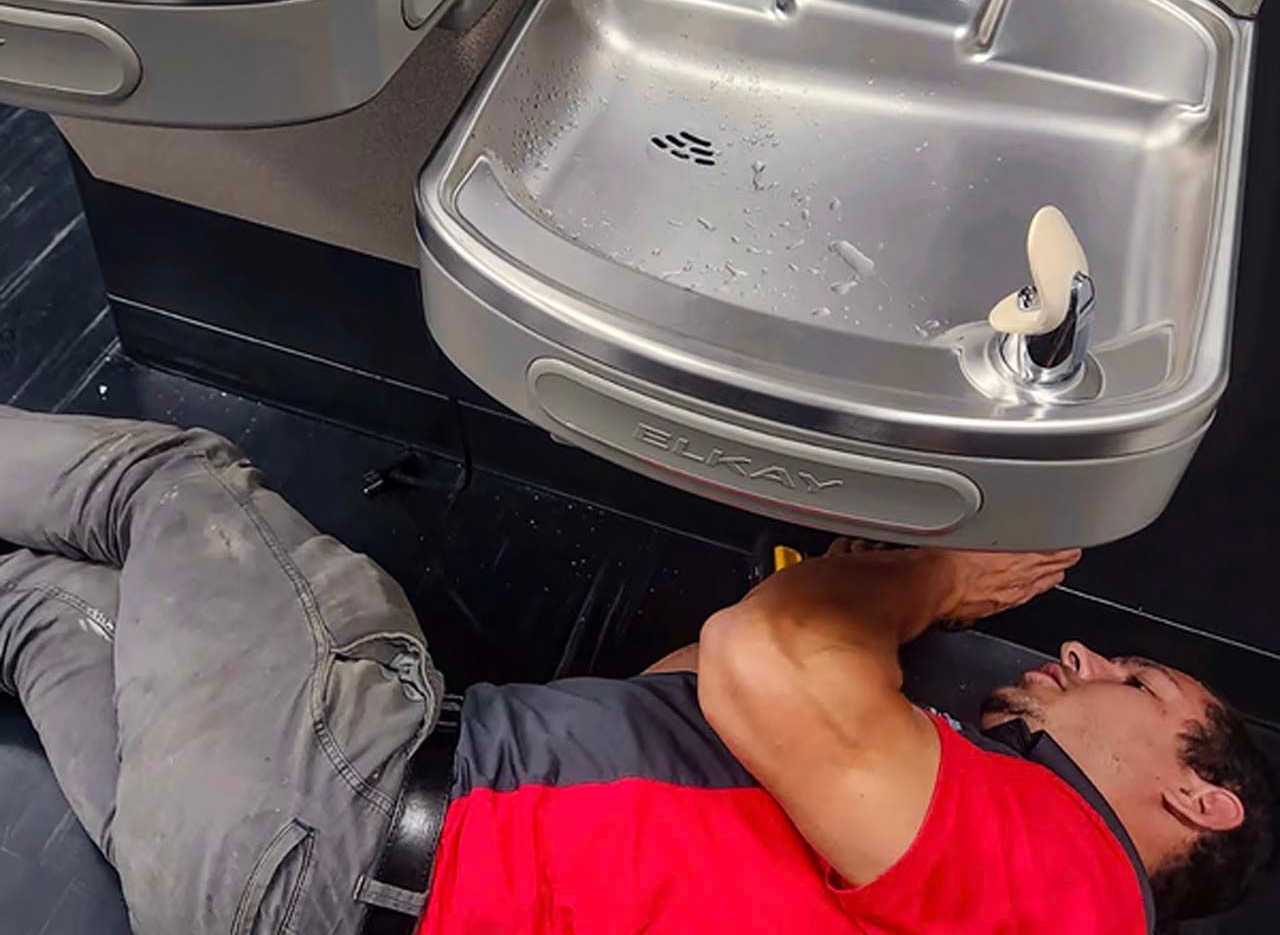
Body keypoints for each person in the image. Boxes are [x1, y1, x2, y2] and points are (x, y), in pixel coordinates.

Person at [0, 407, 1274, 935]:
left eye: (1137, 680)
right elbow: (688, 692)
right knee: (47, 606)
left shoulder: (1070, 879)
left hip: (324, 799)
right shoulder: (973, 858)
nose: (1082, 652)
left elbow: (751, 660)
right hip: (260, 896)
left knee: (169, 483)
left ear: (1196, 794)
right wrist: (836, 604)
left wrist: (936, 581)